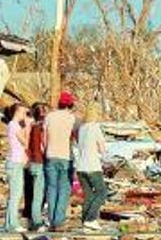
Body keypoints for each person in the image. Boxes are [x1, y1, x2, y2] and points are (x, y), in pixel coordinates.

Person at [43, 91, 76, 231]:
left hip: (50, 155)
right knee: (64, 188)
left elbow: (44, 136)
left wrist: (46, 150)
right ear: (71, 104)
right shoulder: (72, 118)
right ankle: (59, 220)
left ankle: (51, 219)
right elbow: (74, 137)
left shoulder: (49, 116)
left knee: (51, 188)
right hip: (65, 156)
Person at [77, 102, 108, 230]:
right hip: (93, 166)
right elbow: (101, 147)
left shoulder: (82, 128)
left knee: (89, 195)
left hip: (81, 167)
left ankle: (84, 221)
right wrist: (104, 154)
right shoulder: (95, 127)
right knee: (102, 192)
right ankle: (91, 219)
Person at [4, 103, 29, 232]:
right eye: (24, 113)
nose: (25, 115)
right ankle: (13, 223)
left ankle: (9, 223)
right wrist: (26, 126)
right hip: (15, 162)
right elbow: (25, 142)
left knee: (13, 194)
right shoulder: (14, 125)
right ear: (18, 112)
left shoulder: (11, 125)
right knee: (16, 194)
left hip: (13, 161)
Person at [27, 102, 49, 231]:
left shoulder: (31, 127)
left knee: (36, 192)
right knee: (38, 194)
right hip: (39, 162)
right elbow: (42, 146)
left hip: (33, 162)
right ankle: (36, 220)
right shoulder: (39, 128)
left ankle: (34, 219)